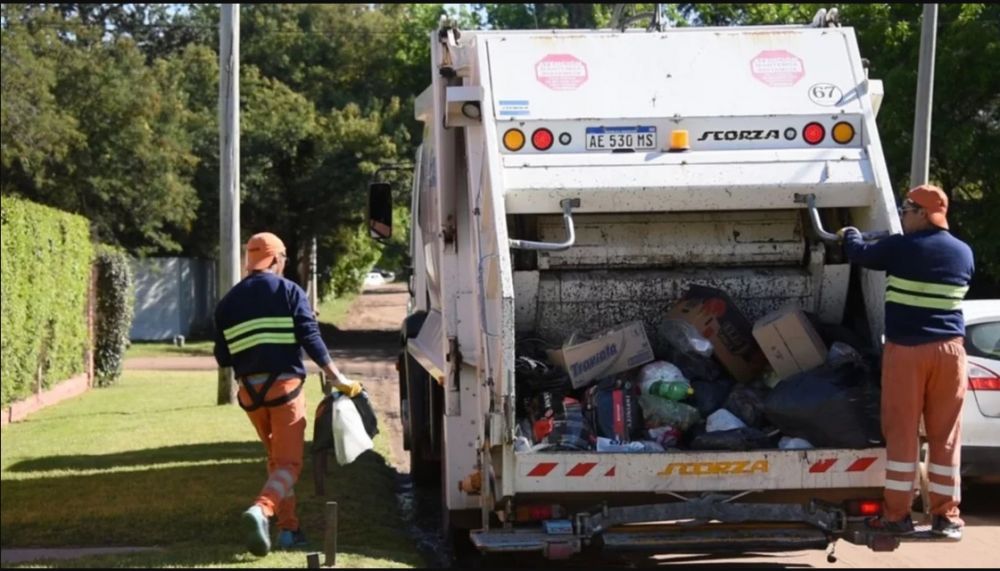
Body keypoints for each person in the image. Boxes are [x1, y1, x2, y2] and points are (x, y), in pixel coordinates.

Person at [838, 184, 974, 540]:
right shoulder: (963, 253)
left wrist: (849, 232)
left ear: (922, 214)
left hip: (908, 352)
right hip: (950, 354)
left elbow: (858, 254)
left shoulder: (900, 248)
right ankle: (947, 517)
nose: (901, 214)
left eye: (906, 209)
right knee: (946, 436)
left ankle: (898, 515)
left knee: (902, 433)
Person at [214, 232, 362, 556]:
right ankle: (262, 510)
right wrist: (337, 378)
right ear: (276, 259)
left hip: (251, 396)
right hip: (285, 392)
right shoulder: (290, 291)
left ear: (251, 260)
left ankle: (289, 529)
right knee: (290, 464)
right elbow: (312, 339)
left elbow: (223, 358)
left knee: (276, 461)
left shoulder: (227, 304)